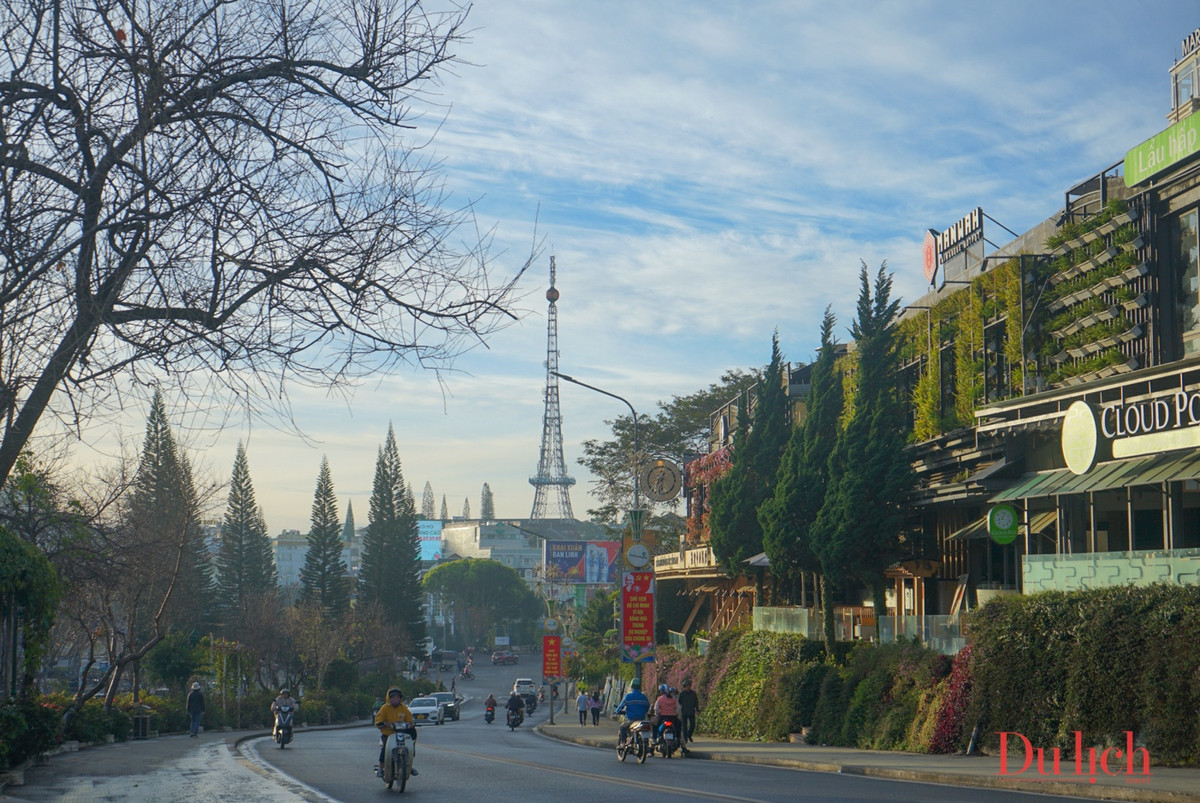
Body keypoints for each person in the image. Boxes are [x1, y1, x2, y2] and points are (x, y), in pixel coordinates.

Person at [374, 687, 418, 778]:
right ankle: (381, 768)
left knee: (409, 746)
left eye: (397, 697)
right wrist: (383, 723)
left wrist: (410, 724)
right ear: (389, 698)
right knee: (385, 748)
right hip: (388, 734)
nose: (395, 699)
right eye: (393, 697)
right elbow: (378, 719)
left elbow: (409, 719)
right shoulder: (384, 708)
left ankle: (409, 766)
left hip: (402, 733)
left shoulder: (404, 708)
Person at [614, 677, 651, 747]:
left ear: (631, 686)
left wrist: (617, 711)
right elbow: (647, 707)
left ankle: (623, 743)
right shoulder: (644, 697)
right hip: (642, 720)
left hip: (632, 720)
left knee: (622, 727)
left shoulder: (628, 696)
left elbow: (620, 708)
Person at [677, 678, 700, 744]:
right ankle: (685, 738)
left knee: (693, 725)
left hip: (691, 711)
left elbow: (696, 702)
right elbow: (679, 703)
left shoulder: (693, 694)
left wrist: (697, 710)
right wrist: (678, 711)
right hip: (684, 712)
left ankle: (689, 735)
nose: (688, 687)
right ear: (684, 686)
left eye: (689, 685)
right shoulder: (682, 694)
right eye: (687, 686)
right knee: (684, 726)